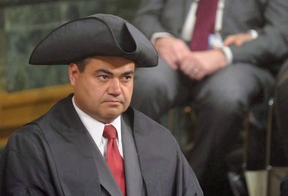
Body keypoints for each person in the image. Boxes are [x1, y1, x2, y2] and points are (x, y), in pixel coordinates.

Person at [0, 14, 203, 196]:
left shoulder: (159, 141)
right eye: (104, 76)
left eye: (126, 77)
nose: (116, 89)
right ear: (74, 74)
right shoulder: (33, 148)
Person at [130, 0, 288, 195]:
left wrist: (223, 55)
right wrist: (161, 39)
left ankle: (194, 183)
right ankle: (140, 178)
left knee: (226, 96)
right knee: (145, 84)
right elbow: (145, 16)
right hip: (175, 55)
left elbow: (279, 35)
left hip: (236, 60)